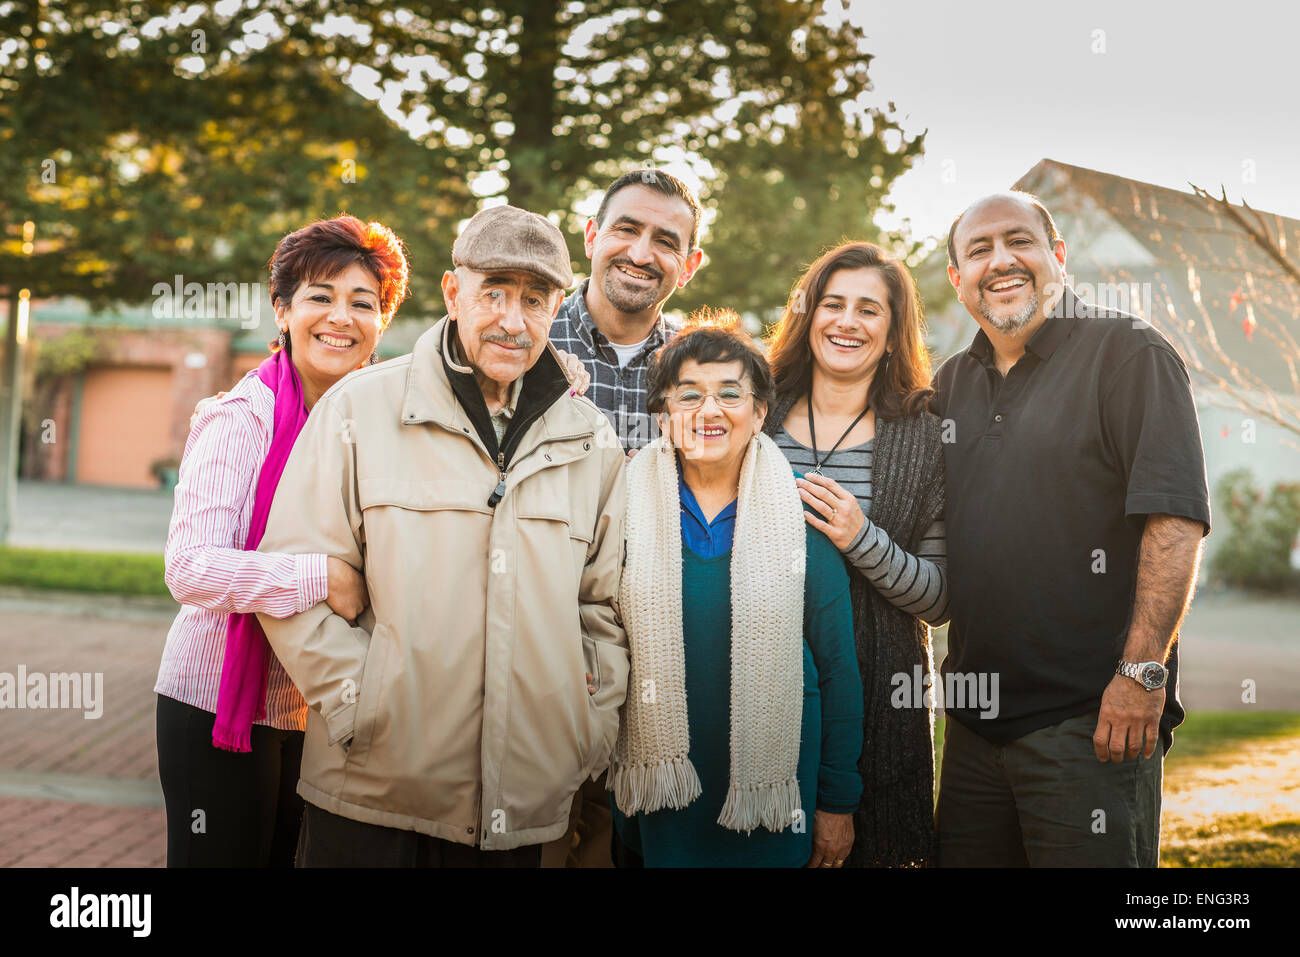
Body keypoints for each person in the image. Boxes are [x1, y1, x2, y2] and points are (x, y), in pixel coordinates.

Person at [254, 204, 629, 867]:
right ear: (454, 292)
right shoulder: (359, 409)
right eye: (495, 293)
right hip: (368, 794)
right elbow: (292, 574)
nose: (513, 320)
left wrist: (585, 730)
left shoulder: (591, 442)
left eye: (534, 299)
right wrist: (358, 707)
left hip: (520, 809)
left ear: (557, 309)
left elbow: (606, 608)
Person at [932, 191, 1210, 867]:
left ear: (1057, 256)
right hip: (971, 732)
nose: (1001, 261)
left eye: (1018, 241)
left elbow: (1174, 519)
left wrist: (1142, 675)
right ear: (956, 279)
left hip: (1092, 724)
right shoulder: (949, 384)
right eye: (979, 249)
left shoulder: (1129, 352)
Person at [155, 214, 408, 866]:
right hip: (215, 702)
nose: (340, 317)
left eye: (363, 302)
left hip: (314, 706)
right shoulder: (241, 419)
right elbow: (190, 568)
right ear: (284, 308)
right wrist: (323, 576)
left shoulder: (375, 428)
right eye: (321, 296)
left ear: (382, 322)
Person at [609, 315, 864, 867]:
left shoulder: (801, 520)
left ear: (760, 412)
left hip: (775, 802)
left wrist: (838, 802)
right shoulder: (621, 513)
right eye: (688, 394)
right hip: (659, 802)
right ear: (662, 414)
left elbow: (839, 671)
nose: (709, 411)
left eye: (731, 393)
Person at [763, 241, 949, 868]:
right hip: (751, 678)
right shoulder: (752, 412)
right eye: (832, 304)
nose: (847, 321)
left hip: (879, 694)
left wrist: (859, 538)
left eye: (870, 310)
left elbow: (939, 598)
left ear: (895, 333)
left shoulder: (924, 435)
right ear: (808, 315)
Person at [543, 167, 705, 867]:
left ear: (690, 264)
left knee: (618, 849)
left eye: (666, 240)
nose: (642, 252)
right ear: (591, 235)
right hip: (533, 648)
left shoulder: (699, 371)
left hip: (654, 665)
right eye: (627, 229)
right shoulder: (526, 342)